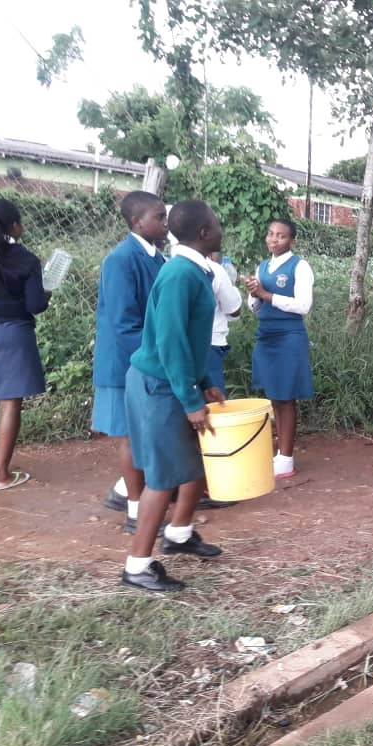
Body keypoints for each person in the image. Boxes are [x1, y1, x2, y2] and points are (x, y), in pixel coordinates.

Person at [120, 201, 225, 592]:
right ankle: (138, 566)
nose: (219, 228)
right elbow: (171, 342)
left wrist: (203, 380)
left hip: (173, 381)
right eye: (215, 224)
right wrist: (190, 398)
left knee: (195, 463)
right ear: (203, 233)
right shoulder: (181, 274)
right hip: (159, 386)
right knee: (162, 479)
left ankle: (179, 534)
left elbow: (191, 338)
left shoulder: (192, 270)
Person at [92, 192, 169, 529]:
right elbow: (124, 324)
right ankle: (136, 511)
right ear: (138, 222)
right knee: (129, 435)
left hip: (144, 359)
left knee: (143, 433)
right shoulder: (120, 260)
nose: (166, 224)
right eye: (160, 217)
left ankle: (129, 491)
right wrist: (160, 356)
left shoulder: (157, 259)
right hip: (125, 361)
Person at [246, 219, 314, 479]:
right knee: (274, 395)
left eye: (281, 236)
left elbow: (303, 305)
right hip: (266, 335)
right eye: (271, 234)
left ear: (292, 241)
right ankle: (279, 454)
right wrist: (253, 294)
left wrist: (266, 294)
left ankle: (286, 457)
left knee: (287, 397)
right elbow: (254, 307)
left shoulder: (300, 266)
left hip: (289, 336)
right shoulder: (262, 267)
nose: (274, 239)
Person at [0, 199, 48, 491]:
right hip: (13, 334)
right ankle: (2, 475)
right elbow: (36, 305)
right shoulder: (24, 258)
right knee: (9, 403)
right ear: (12, 226)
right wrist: (45, 293)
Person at [205, 252, 243, 393]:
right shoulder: (215, 269)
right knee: (214, 399)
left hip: (179, 344)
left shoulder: (169, 263)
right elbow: (234, 310)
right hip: (211, 342)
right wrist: (232, 286)